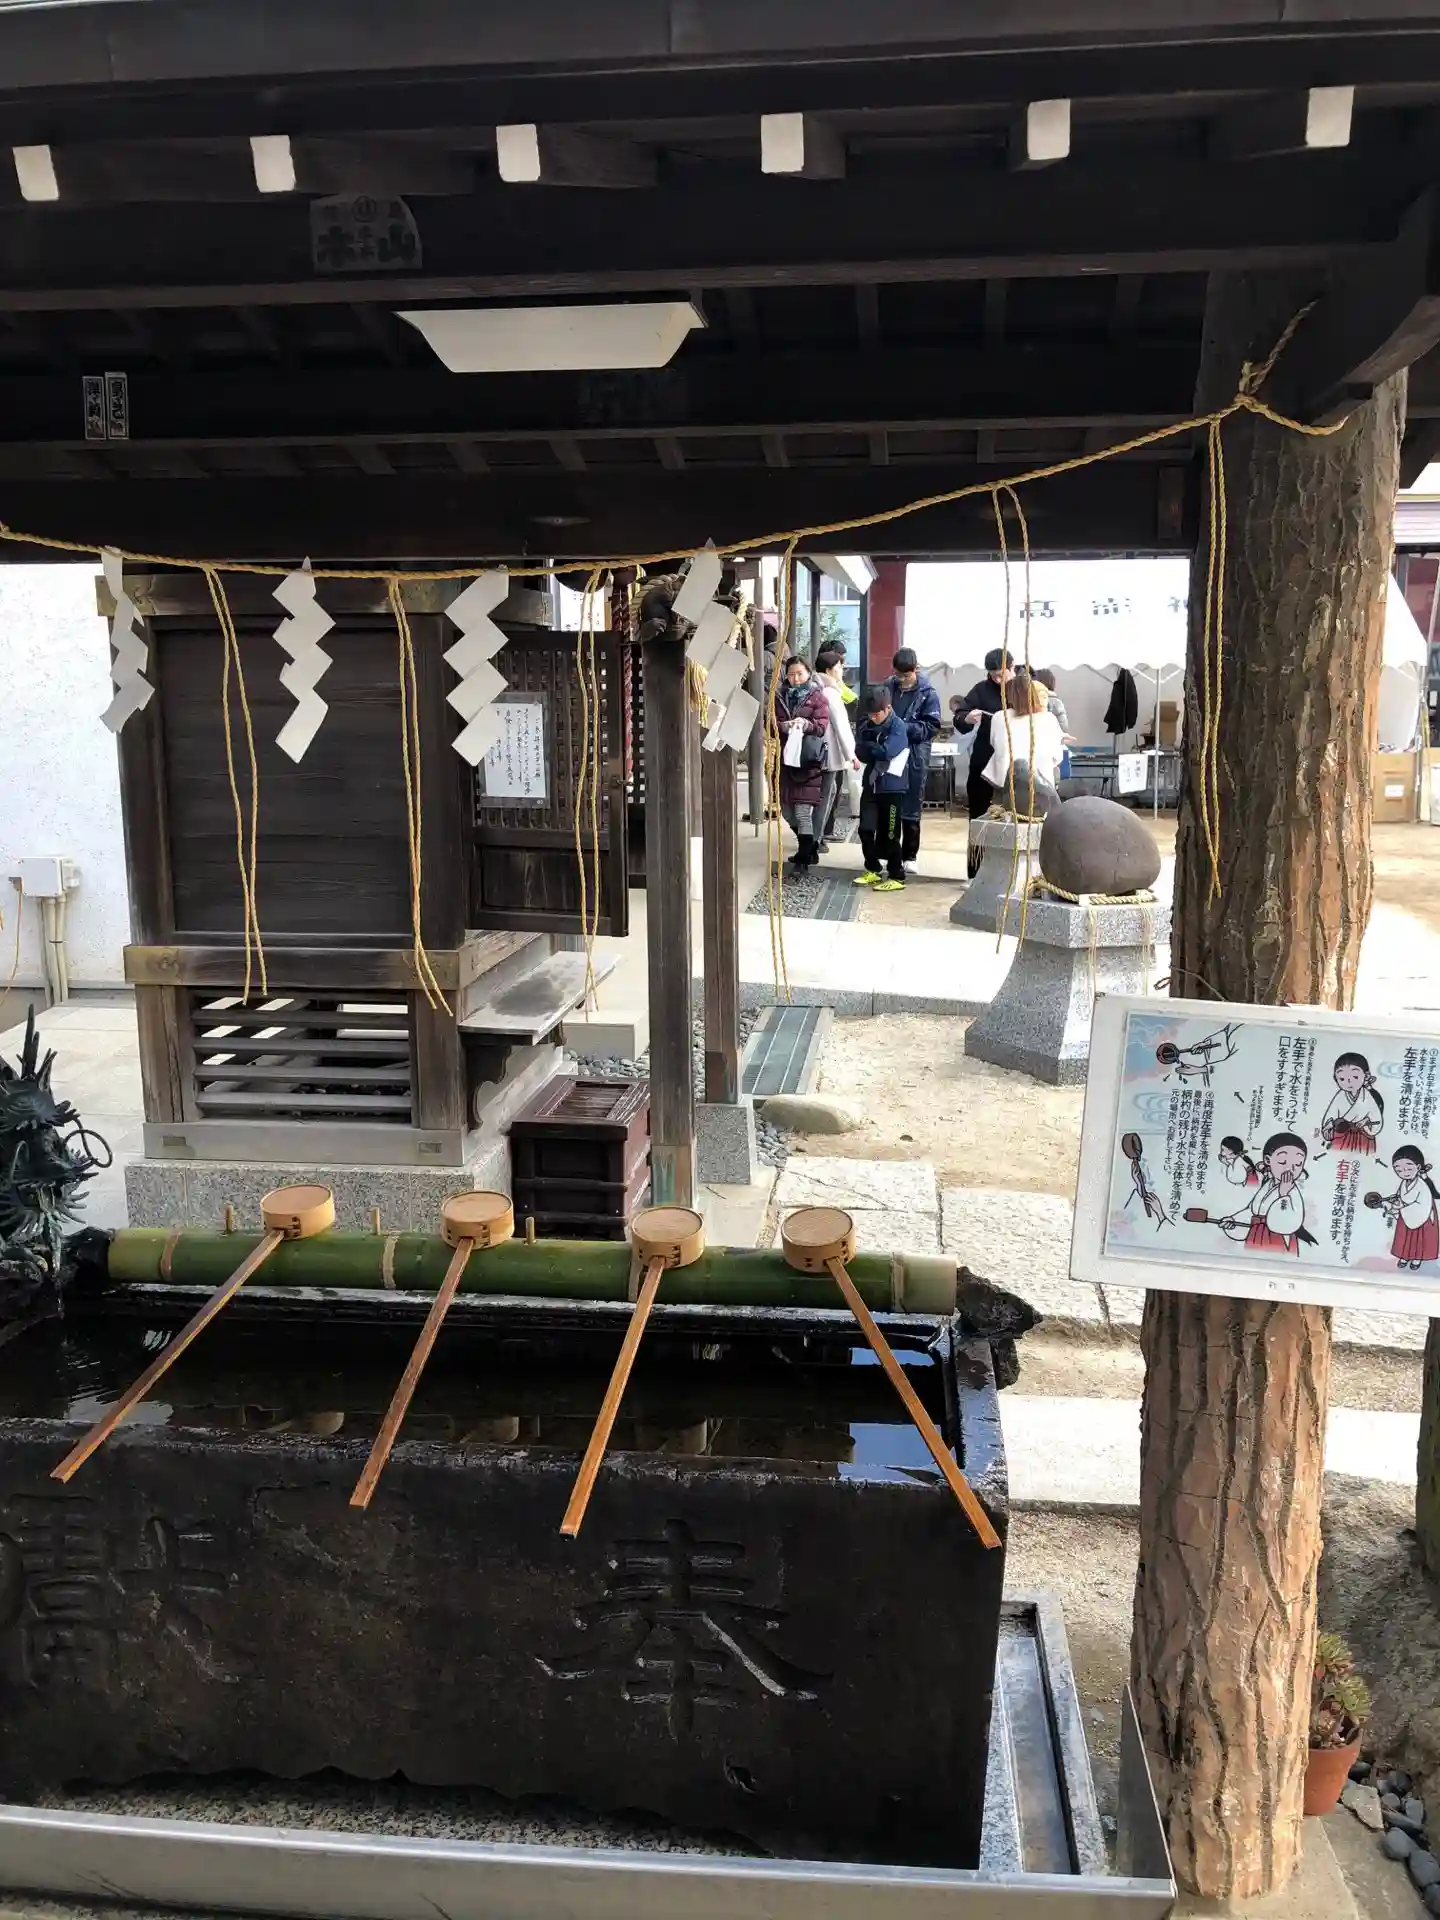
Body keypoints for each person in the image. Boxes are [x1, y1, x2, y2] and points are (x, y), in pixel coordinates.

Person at [955, 647, 1013, 876]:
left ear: (1012, 666)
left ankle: (1009, 874)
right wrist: (966, 718)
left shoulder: (1024, 688)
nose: (997, 680)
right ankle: (975, 873)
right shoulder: (981, 690)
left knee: (1014, 819)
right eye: (993, 675)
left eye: (1001, 674)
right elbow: (960, 715)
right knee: (979, 817)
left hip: (1014, 765)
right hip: (983, 763)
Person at [886, 647, 942, 868]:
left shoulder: (928, 693)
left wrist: (902, 728)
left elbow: (932, 726)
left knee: (912, 803)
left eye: (906, 675)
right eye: (898, 674)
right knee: (890, 802)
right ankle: (890, 852)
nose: (902, 679)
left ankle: (910, 855)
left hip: (915, 754)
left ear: (916, 669)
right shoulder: (888, 687)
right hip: (890, 753)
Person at [853, 684, 910, 891]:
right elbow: (859, 751)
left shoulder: (898, 726)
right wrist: (873, 749)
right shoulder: (866, 724)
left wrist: (872, 748)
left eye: (877, 714)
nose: (873, 718)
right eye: (870, 714)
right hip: (871, 783)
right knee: (865, 829)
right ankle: (873, 868)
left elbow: (888, 751)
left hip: (893, 786)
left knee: (891, 833)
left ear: (888, 708)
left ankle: (897, 875)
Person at [776, 654, 830, 870]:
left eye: (799, 673)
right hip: (785, 760)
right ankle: (809, 849)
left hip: (807, 761)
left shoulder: (818, 697)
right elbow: (771, 722)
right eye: (791, 674)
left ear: (808, 673)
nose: (795, 679)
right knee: (787, 811)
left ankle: (805, 856)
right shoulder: (779, 695)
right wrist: (783, 726)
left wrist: (806, 724)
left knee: (802, 811)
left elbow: (822, 727)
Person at [1220, 1133, 1316, 1255]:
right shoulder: (1268, 1184)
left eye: (1298, 1164)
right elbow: (1253, 1211)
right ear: (1267, 1160)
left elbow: (1287, 1224)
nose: (1290, 1168)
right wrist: (1233, 1220)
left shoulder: (1292, 1190)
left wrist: (1283, 1194)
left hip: (1276, 1240)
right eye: (1282, 1162)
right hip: (1256, 1234)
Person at [983, 672, 1067, 801]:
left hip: (1006, 785)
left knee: (1002, 810)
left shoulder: (999, 717)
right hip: (1042, 786)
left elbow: (995, 744)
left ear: (1009, 696)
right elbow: (1057, 757)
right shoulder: (1049, 719)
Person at [812, 645, 857, 854]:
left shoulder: (812, 687)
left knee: (818, 796)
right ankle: (815, 839)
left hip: (812, 751)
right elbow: (841, 726)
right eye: (839, 667)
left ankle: (814, 837)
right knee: (826, 796)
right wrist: (852, 755)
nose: (842, 671)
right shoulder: (830, 692)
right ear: (829, 670)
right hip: (827, 752)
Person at [1381, 1145, 1440, 1268]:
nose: (1404, 1173)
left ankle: (1417, 1259)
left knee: (1418, 1239)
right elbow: (1400, 1195)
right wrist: (1396, 1199)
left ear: (1418, 1167)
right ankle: (1404, 1257)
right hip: (1406, 1214)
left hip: (1421, 1215)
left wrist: (1401, 1206)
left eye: (1408, 1168)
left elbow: (1421, 1202)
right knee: (1405, 1238)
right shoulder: (1404, 1183)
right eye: (1399, 1170)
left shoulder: (1422, 1185)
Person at [1320, 1051, 1384, 1155]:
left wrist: (1365, 1121)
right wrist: (1328, 1126)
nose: (1349, 1082)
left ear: (1366, 1076)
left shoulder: (1367, 1095)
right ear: (1336, 1079)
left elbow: (1375, 1117)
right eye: (1342, 1079)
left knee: (1363, 1158)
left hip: (1363, 1134)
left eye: (1355, 1077)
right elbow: (1331, 1115)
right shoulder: (1340, 1096)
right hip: (1342, 1134)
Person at [1031, 667, 1075, 780]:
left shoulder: (1029, 701)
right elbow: (1064, 728)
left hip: (1033, 749)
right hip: (1052, 751)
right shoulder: (1057, 702)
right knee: (1050, 781)